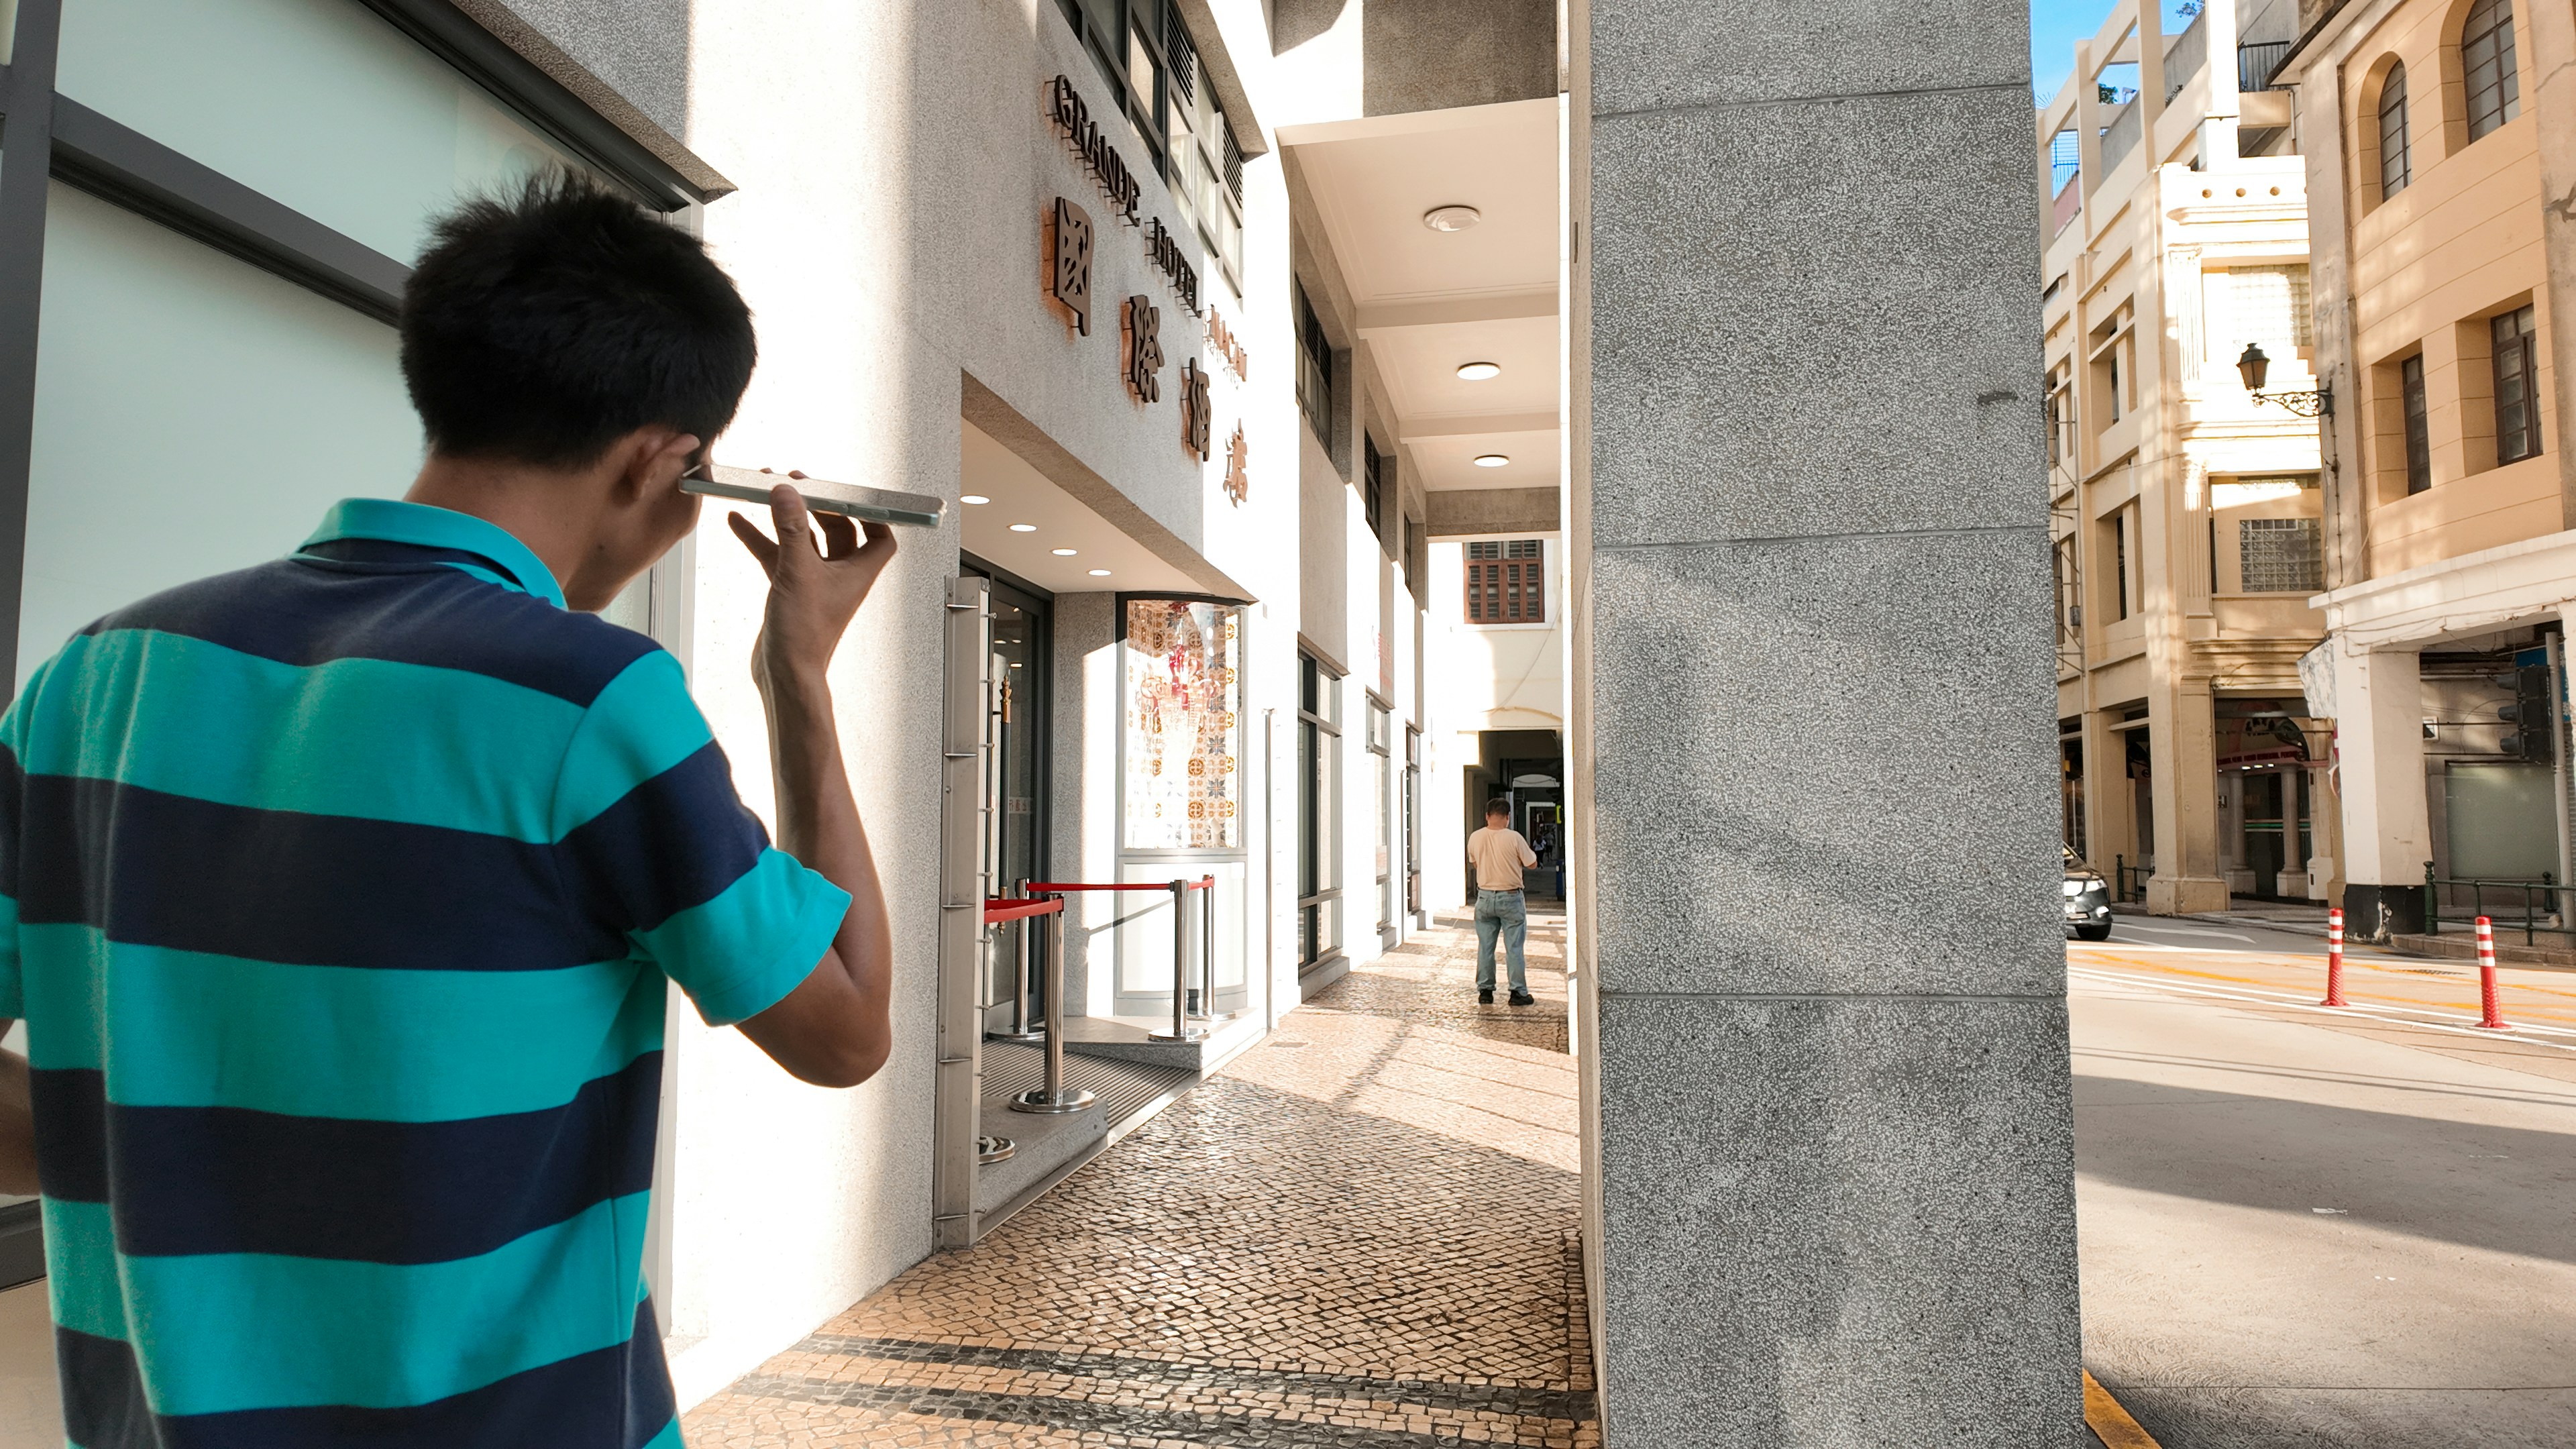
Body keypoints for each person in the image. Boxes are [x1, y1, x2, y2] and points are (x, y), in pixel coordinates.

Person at [0, 172, 897, 1447]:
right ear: (664, 464)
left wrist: (170, 1142)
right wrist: (797, 679)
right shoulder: (591, 702)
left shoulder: (93, 676)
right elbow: (845, 1027)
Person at [1466, 798, 1538, 1006]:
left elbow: (1475, 863)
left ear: (1487, 816)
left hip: (1485, 897)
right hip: (1511, 897)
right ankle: (1517, 992)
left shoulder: (1475, 837)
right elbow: (1532, 863)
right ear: (1508, 818)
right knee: (1514, 947)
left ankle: (1485, 991)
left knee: (1485, 947)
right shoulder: (1514, 838)